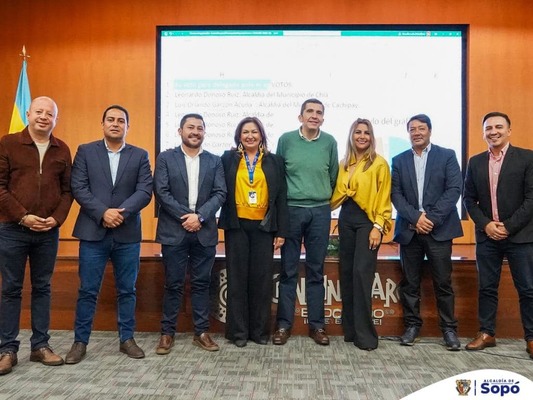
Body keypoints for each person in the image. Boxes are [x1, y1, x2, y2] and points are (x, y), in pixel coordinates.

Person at [65, 105, 153, 364]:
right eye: (111, 120)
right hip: (93, 232)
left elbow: (145, 190)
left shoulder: (139, 155)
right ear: (102, 124)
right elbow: (78, 187)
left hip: (127, 234)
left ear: (128, 126)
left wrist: (121, 213)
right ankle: (80, 342)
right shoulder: (85, 151)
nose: (115, 124)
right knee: (87, 290)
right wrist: (103, 212)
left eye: (121, 120)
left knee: (127, 289)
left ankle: (127, 338)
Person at [0, 96, 73, 375]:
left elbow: (68, 191)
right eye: (39, 112)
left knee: (43, 288)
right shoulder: (8, 143)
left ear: (56, 119)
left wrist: (55, 219)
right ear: (28, 114)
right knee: (11, 289)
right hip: (11, 229)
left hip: (47, 231)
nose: (44, 117)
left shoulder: (62, 149)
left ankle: (40, 345)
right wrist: (23, 216)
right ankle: (7, 349)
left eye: (50, 113)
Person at [154, 113, 226, 354]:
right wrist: (187, 217)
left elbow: (220, 193)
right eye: (190, 127)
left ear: (204, 132)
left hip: (204, 231)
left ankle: (201, 333)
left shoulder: (214, 161)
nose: (195, 132)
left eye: (200, 128)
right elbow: (162, 192)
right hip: (174, 231)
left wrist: (200, 217)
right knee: (173, 283)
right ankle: (167, 333)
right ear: (180, 131)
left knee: (201, 284)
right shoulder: (165, 158)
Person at [463, 112, 533, 357]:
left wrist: (507, 226)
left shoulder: (527, 158)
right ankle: (487, 333)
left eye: (498, 127)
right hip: (487, 236)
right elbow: (468, 199)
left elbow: (531, 199)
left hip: (520, 236)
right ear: (483, 133)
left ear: (509, 130)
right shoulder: (475, 162)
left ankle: (531, 337)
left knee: (527, 288)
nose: (493, 131)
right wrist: (486, 225)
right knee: (487, 287)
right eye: (488, 128)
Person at [391, 113, 463, 351]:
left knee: (443, 282)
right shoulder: (399, 160)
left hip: (438, 230)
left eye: (421, 128)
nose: (416, 132)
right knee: (410, 283)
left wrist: (429, 219)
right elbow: (396, 195)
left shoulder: (447, 155)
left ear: (430, 131)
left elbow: (454, 189)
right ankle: (412, 326)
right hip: (410, 230)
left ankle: (449, 330)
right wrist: (416, 218)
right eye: (412, 129)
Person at [273, 98, 339, 346]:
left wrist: (319, 197)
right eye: (309, 111)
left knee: (315, 271)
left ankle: (317, 326)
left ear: (323, 118)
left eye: (319, 112)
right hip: (291, 211)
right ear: (300, 117)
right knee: (288, 270)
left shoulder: (329, 142)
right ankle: (283, 326)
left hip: (320, 212)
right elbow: (279, 177)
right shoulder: (286, 140)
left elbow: (333, 177)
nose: (314, 115)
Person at [218, 117, 288, 347]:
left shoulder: (274, 161)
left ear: (261, 135)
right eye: (245, 132)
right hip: (236, 226)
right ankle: (238, 333)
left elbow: (281, 199)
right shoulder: (228, 159)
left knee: (261, 281)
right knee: (237, 280)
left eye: (254, 132)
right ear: (239, 136)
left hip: (264, 228)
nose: (250, 136)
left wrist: (281, 231)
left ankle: (259, 332)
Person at [330, 118, 392, 351]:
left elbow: (384, 197)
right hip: (346, 220)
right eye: (358, 132)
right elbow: (335, 198)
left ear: (372, 137)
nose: (362, 136)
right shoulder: (344, 163)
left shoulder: (379, 164)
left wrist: (378, 226)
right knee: (346, 273)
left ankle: (366, 336)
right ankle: (351, 331)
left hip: (368, 223)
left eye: (366, 132)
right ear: (351, 136)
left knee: (361, 274)